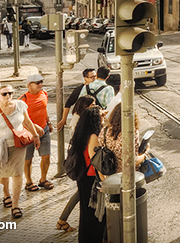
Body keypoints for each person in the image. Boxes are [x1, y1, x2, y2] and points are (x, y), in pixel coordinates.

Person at [0, 84, 43, 219]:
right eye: (4, 94)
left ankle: (15, 205)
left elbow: (28, 122)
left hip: (18, 145)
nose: (8, 96)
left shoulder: (21, 105)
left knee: (17, 174)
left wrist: (35, 136)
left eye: (10, 93)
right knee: (3, 174)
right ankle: (6, 195)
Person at [55, 96, 97, 234]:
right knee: (82, 196)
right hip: (84, 166)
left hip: (82, 165)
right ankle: (62, 219)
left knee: (80, 195)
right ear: (85, 106)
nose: (95, 107)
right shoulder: (80, 121)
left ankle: (62, 219)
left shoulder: (78, 117)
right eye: (92, 105)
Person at [65, 103, 106, 242]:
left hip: (84, 177)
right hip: (90, 178)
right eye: (101, 117)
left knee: (86, 213)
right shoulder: (93, 136)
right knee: (93, 214)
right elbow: (95, 161)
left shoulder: (82, 133)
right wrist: (103, 181)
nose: (103, 118)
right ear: (95, 120)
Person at [22, 74, 55, 192]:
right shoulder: (23, 99)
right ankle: (29, 182)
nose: (40, 84)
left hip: (44, 129)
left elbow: (44, 110)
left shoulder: (44, 94)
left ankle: (43, 179)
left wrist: (49, 123)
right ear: (29, 85)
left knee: (46, 156)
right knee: (28, 159)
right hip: (28, 132)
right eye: (37, 82)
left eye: (41, 82)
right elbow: (20, 119)